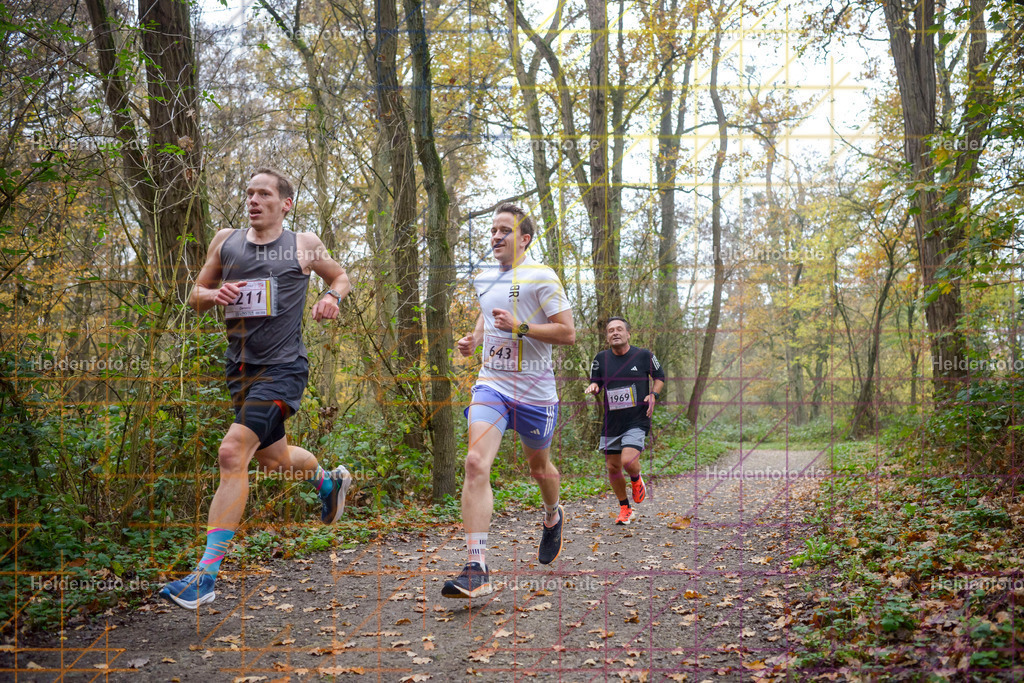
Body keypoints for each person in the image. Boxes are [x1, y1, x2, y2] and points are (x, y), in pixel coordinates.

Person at [160, 168, 353, 609]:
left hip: (284, 368)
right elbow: (195, 292)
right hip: (240, 371)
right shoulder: (226, 240)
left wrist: (331, 298)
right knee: (274, 458)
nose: (253, 200)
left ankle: (205, 577)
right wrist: (211, 296)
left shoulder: (304, 244)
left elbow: (340, 276)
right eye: (248, 192)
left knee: (232, 453)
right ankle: (328, 483)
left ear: (285, 203)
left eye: (263, 193)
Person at [442, 204, 576, 598]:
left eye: (505, 230)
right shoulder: (484, 277)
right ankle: (476, 566)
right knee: (474, 461)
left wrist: (521, 328)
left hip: (536, 393)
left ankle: (552, 515)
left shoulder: (541, 276)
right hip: (493, 385)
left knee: (539, 468)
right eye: (493, 230)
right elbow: (488, 317)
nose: (496, 236)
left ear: (525, 238)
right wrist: (474, 339)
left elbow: (567, 333)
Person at [585, 317, 665, 525]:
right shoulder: (600, 359)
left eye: (619, 329)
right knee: (612, 467)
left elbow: (660, 376)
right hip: (612, 421)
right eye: (610, 330)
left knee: (628, 460)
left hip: (637, 419)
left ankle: (636, 479)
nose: (615, 333)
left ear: (628, 334)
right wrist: (594, 387)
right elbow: (596, 381)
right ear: (607, 336)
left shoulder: (643, 355)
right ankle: (624, 507)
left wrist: (653, 395)